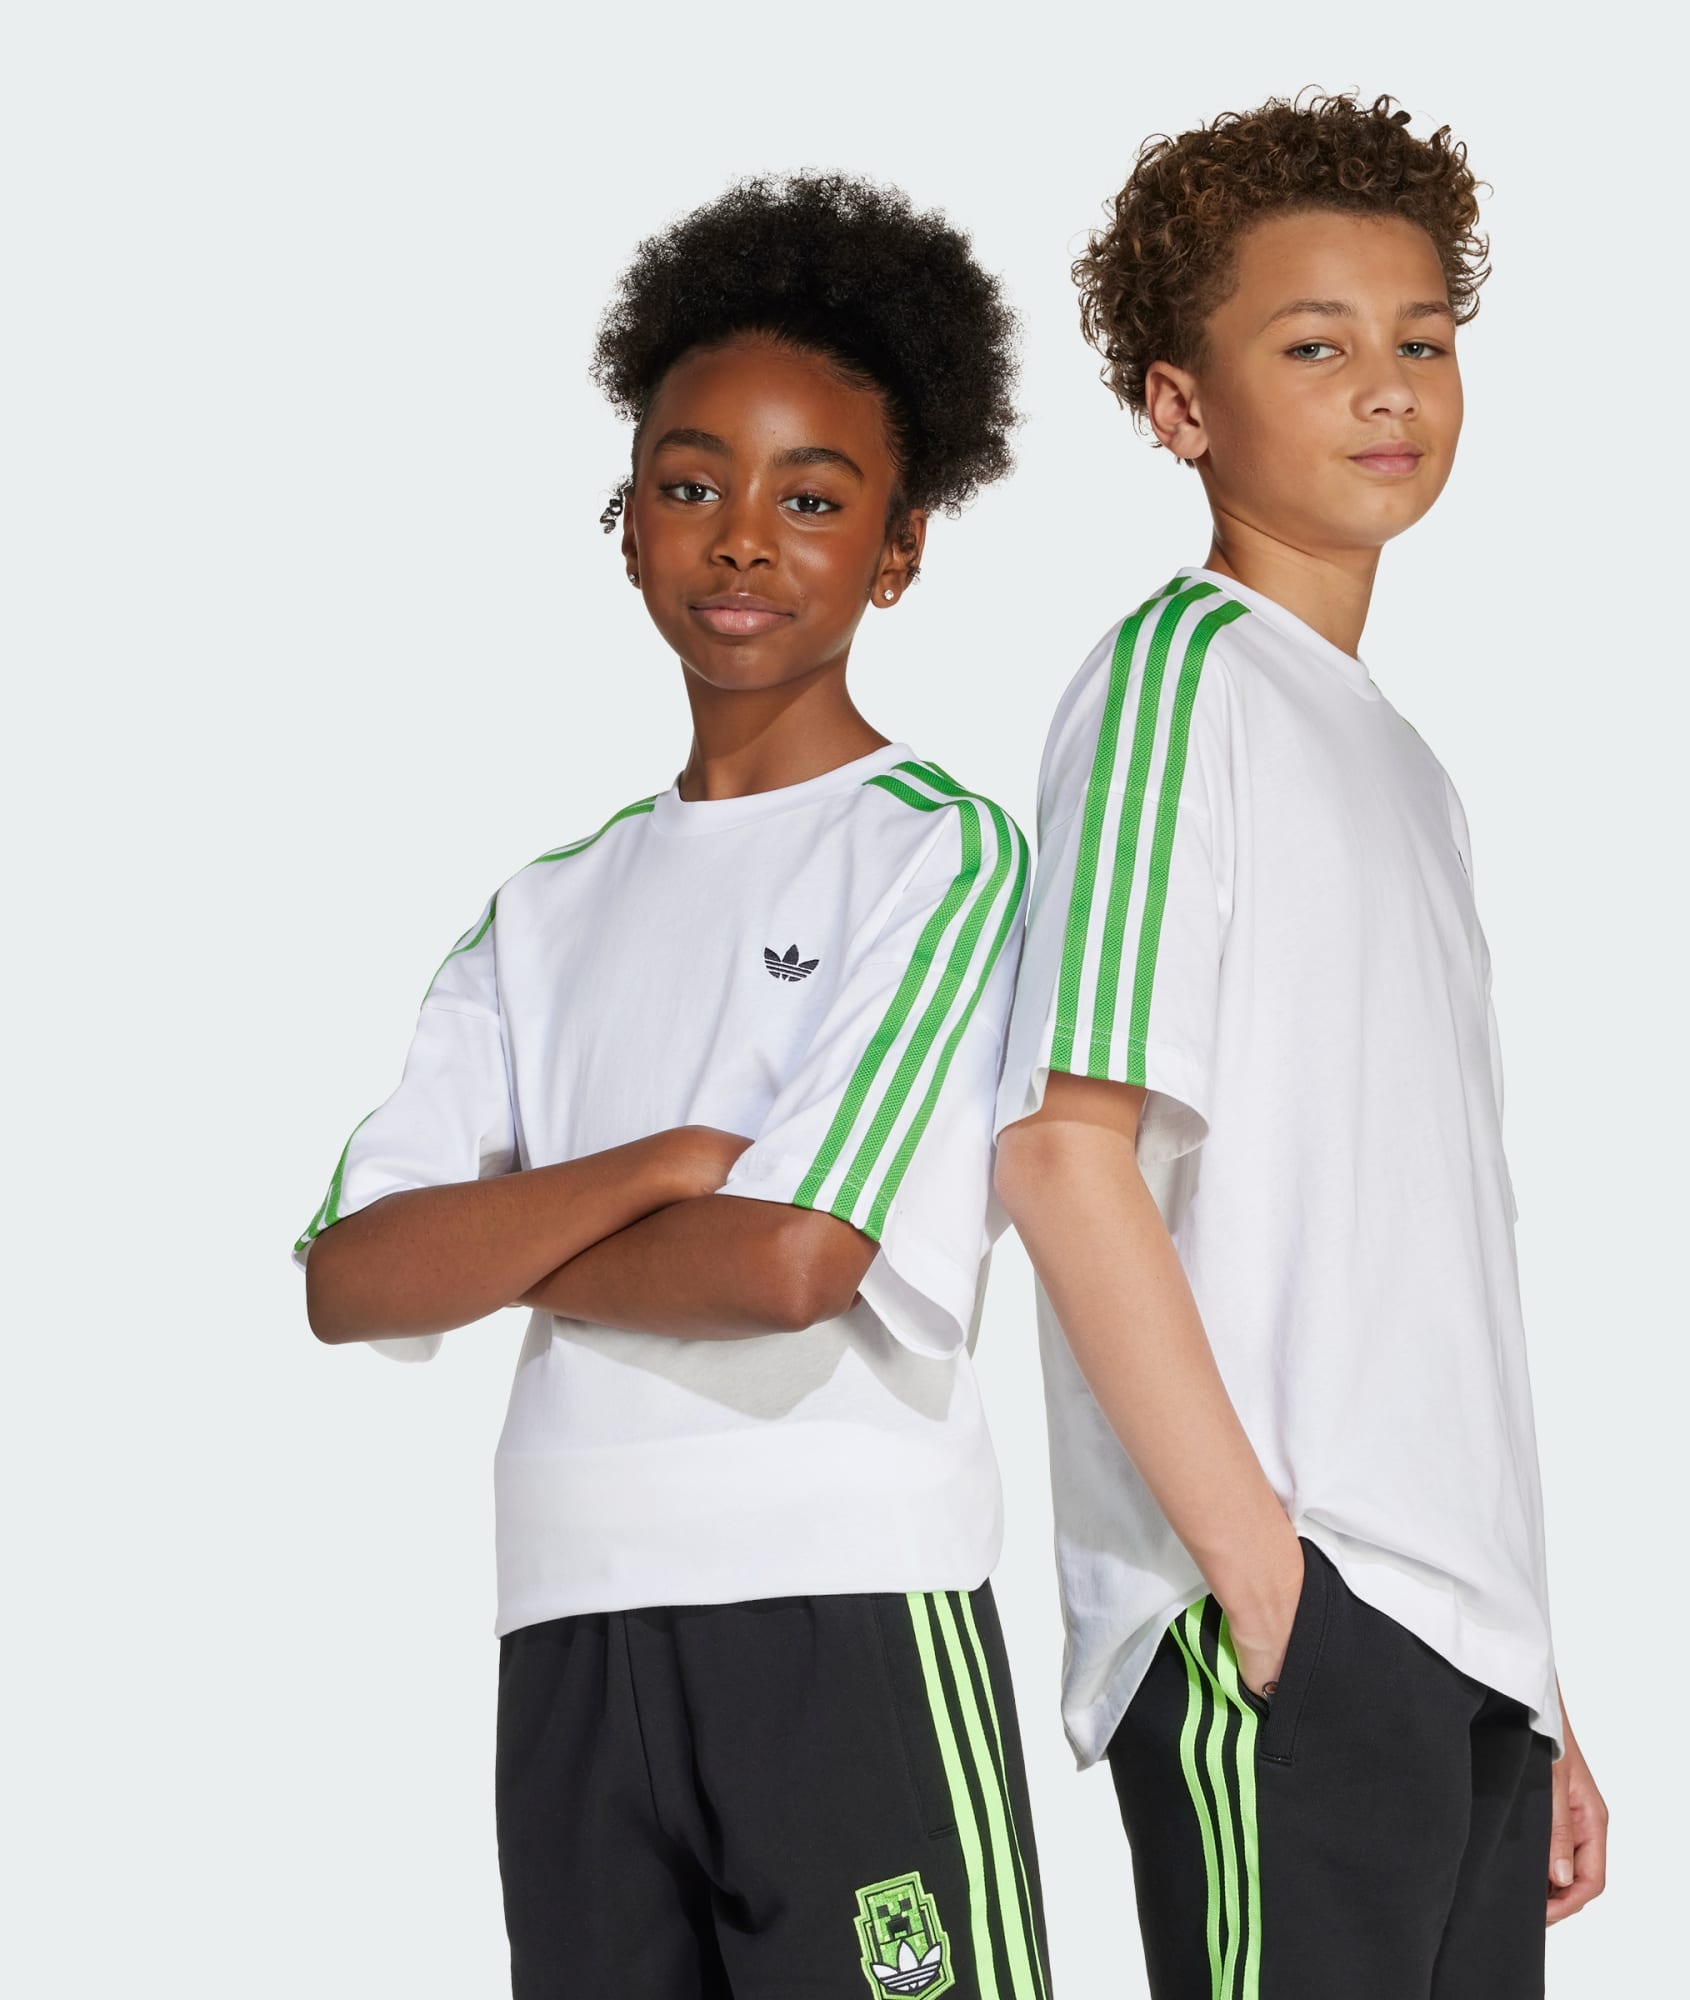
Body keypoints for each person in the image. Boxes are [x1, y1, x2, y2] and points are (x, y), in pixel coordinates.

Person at [294, 173, 1051, 2000]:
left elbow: (793, 1262)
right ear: (625, 520)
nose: (742, 540)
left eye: (815, 498)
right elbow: (350, 1277)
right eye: (693, 485)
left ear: (901, 548)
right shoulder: (543, 910)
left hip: (842, 1600)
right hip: (569, 1622)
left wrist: (506, 1248)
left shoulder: (934, 852)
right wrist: (658, 1164)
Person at [993, 93, 1607, 1997]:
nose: (1389, 388)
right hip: (1289, 1632)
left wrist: (1536, 1678)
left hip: (1453, 1650)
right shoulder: (1179, 684)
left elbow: (1416, 1274)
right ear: (1181, 407)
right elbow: (1063, 1153)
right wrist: (1267, 1590)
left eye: (1422, 339)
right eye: (1316, 347)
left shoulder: (1404, 767)